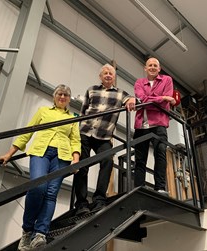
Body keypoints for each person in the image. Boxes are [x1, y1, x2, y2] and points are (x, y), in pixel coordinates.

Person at [0, 84, 81, 250]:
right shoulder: (43, 111)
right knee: (38, 186)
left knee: (51, 194)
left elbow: (75, 140)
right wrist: (10, 153)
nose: (62, 97)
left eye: (66, 95)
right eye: (60, 93)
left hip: (62, 156)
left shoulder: (73, 117)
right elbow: (28, 132)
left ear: (68, 99)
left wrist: (76, 159)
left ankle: (40, 234)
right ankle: (27, 231)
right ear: (54, 96)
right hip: (40, 152)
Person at [73, 63, 136, 215]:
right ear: (100, 76)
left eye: (111, 74)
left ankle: (99, 199)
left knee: (107, 160)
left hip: (104, 136)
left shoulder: (120, 93)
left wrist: (131, 99)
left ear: (114, 78)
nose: (108, 75)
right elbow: (83, 112)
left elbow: (131, 99)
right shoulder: (91, 89)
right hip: (85, 132)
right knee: (82, 165)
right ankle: (81, 204)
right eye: (105, 73)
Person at [133, 57, 176, 195]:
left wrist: (150, 100)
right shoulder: (139, 82)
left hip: (159, 124)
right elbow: (141, 99)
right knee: (140, 159)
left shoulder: (167, 80)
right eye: (149, 65)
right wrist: (162, 98)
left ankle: (160, 187)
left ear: (159, 68)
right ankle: (138, 188)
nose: (152, 67)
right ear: (145, 68)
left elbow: (161, 103)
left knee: (160, 154)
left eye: (155, 65)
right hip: (141, 125)